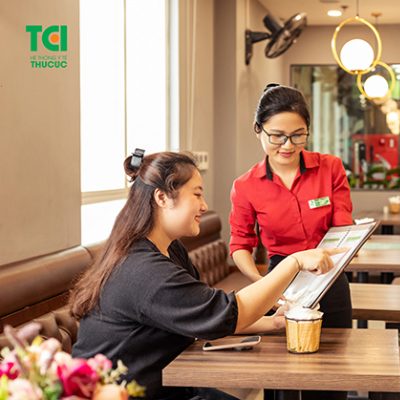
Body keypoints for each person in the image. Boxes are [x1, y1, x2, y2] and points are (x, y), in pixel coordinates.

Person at [70, 150, 344, 400]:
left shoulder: (169, 250)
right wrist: (294, 262)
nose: (204, 206)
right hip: (127, 393)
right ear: (162, 197)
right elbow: (224, 313)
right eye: (197, 194)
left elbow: (206, 317)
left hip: (166, 385)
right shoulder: (143, 270)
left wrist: (273, 323)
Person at [229, 84, 354, 400]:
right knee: (280, 377)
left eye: (298, 135)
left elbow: (343, 226)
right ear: (258, 131)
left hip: (330, 274)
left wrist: (335, 253)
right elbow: (240, 245)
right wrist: (264, 285)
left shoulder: (330, 168)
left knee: (332, 371)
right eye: (277, 135)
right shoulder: (245, 186)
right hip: (278, 277)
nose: (288, 145)